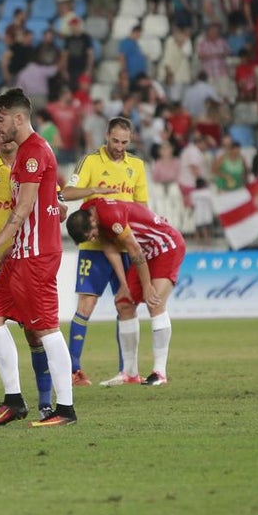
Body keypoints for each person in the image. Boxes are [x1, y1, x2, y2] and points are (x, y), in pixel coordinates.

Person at [0, 88, 79, 427]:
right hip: (21, 253)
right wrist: (55, 207)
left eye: (0, 119)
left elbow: (22, 209)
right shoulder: (28, 152)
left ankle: (65, 409)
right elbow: (46, 201)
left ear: (18, 118)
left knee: (46, 328)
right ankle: (14, 401)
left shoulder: (34, 151)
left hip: (35, 256)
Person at [0, 136, 56, 425]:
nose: (1, 136)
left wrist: (59, 207)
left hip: (25, 261)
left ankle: (45, 404)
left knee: (35, 333)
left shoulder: (32, 166)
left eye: (4, 129)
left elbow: (57, 206)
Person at [60, 117, 147, 387]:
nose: (119, 147)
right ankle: (74, 370)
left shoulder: (136, 166)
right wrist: (94, 189)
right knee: (86, 305)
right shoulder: (91, 161)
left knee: (127, 306)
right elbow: (66, 193)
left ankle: (128, 371)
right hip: (94, 246)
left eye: (124, 142)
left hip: (124, 247)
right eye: (115, 141)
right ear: (107, 136)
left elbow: (141, 207)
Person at [65, 199, 185, 386]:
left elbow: (134, 250)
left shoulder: (110, 216)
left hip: (165, 245)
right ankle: (129, 373)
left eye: (91, 235)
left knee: (155, 302)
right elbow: (109, 247)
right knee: (123, 303)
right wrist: (123, 284)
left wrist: (147, 285)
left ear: (93, 221)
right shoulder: (88, 213)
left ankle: (159, 372)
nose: (93, 239)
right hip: (146, 251)